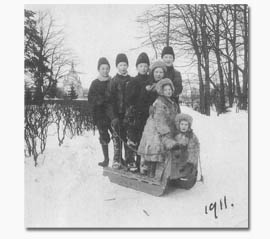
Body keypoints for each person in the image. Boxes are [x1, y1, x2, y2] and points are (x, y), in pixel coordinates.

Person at [138, 78, 180, 178]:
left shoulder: (172, 102)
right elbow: (159, 119)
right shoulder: (160, 102)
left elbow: (175, 116)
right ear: (161, 91)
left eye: (169, 89)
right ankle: (151, 173)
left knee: (164, 151)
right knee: (155, 150)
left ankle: (165, 172)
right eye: (165, 90)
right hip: (155, 130)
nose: (168, 91)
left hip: (166, 129)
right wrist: (165, 132)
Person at [107, 53, 135, 170]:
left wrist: (131, 113)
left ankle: (130, 161)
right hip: (117, 115)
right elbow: (109, 101)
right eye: (120, 65)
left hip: (128, 116)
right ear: (117, 66)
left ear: (127, 65)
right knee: (117, 138)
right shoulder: (113, 81)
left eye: (124, 65)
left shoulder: (131, 80)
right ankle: (117, 160)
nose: (123, 67)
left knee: (129, 138)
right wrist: (113, 117)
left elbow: (134, 99)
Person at [124, 52, 150, 171]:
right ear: (137, 67)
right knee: (132, 139)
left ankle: (141, 162)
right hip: (135, 115)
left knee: (143, 140)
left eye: (145, 66)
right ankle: (130, 161)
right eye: (141, 66)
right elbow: (129, 99)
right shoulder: (133, 81)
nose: (143, 68)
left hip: (147, 115)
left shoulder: (150, 81)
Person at [88, 57, 115, 167]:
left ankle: (118, 158)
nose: (105, 70)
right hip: (101, 115)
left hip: (112, 114)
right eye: (102, 68)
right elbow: (91, 99)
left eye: (107, 68)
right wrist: (100, 100)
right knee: (104, 136)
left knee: (116, 136)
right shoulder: (95, 83)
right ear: (99, 69)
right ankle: (106, 159)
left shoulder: (112, 82)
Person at [170, 113, 200, 189]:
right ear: (179, 125)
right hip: (175, 158)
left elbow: (193, 150)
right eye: (182, 124)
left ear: (189, 126)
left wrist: (190, 162)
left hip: (185, 159)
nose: (184, 126)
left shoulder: (191, 136)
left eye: (186, 125)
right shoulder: (175, 134)